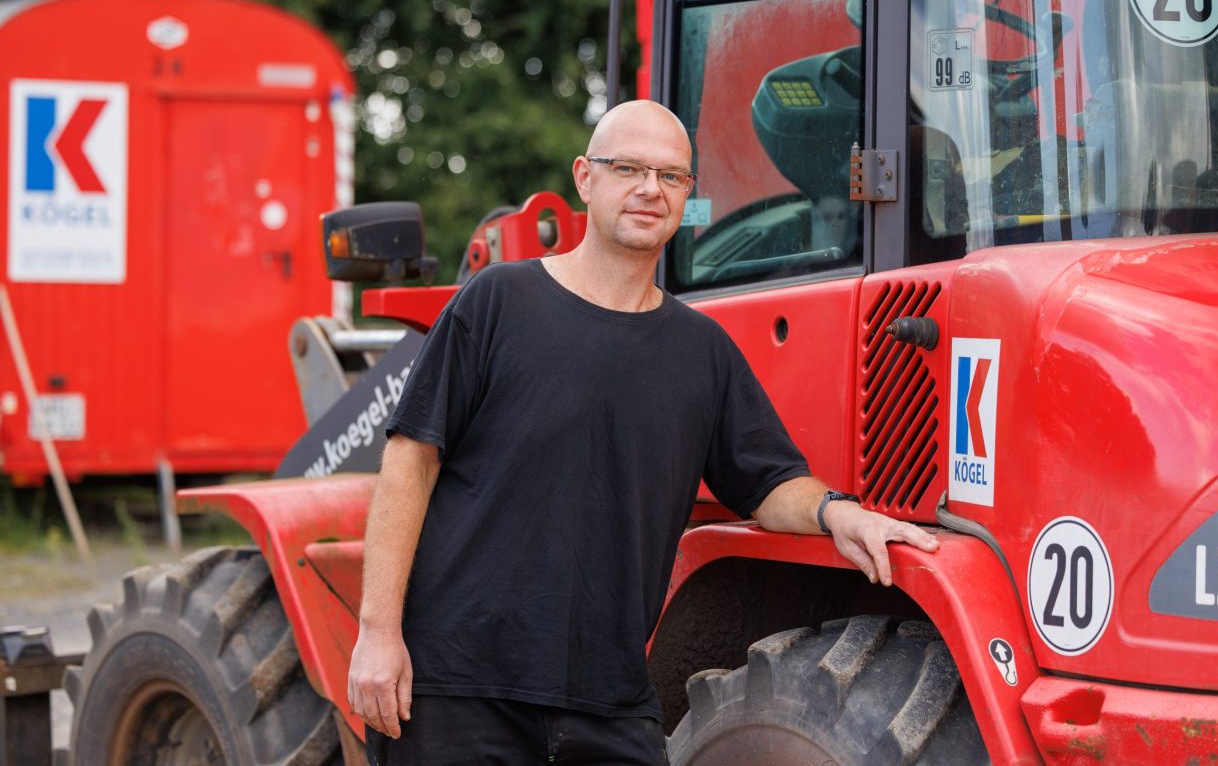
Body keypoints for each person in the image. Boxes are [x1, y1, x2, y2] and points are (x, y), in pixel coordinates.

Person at [348, 100, 940, 765]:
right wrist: (378, 633)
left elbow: (769, 484)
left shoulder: (702, 351)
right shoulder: (495, 303)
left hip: (608, 700)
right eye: (627, 167)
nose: (649, 189)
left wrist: (841, 513)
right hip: (460, 691)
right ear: (584, 177)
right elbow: (410, 459)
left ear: (688, 195)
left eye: (671, 176)